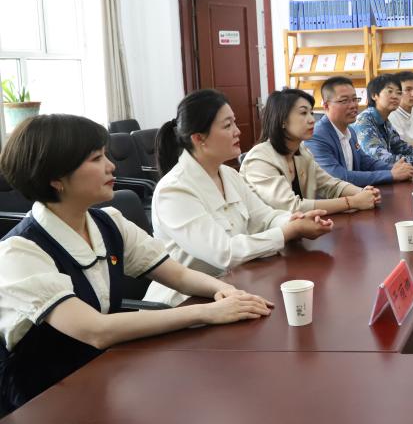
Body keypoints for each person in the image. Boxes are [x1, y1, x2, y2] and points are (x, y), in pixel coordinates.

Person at [0, 115, 273, 415]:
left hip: (105, 373)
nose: (111, 166)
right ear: (56, 178)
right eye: (96, 159)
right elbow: (96, 330)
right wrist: (208, 312)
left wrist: (225, 291)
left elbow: (178, 275)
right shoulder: (20, 252)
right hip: (45, 399)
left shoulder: (108, 222)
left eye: (106, 155)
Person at [146, 89, 333, 306]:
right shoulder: (173, 191)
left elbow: (265, 217)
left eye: (234, 123)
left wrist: (295, 220)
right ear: (199, 138)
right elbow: (225, 253)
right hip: (186, 303)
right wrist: (288, 231)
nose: (237, 131)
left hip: (235, 288)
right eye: (227, 126)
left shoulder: (228, 174)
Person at [241, 89, 381, 214]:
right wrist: (352, 202)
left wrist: (364, 193)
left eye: (311, 113)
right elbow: (292, 207)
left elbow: (330, 184)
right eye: (303, 113)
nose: (312, 120)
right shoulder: (260, 159)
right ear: (282, 120)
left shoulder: (301, 152)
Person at [306, 76, 413, 186]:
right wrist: (391, 174)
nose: (353, 105)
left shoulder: (350, 131)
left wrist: (394, 168)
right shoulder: (316, 136)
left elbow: (366, 163)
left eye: (355, 99)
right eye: (344, 101)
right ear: (326, 106)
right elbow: (338, 177)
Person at [352, 73, 413, 166]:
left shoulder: (385, 121)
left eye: (399, 93)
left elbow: (401, 146)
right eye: (390, 91)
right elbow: (381, 159)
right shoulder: (364, 121)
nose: (395, 96)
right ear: (374, 95)